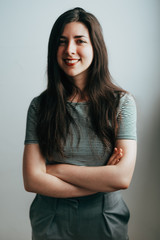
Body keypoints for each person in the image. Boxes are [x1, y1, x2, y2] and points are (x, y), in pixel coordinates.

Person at [23, 7, 137, 240]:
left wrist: (57, 169)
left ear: (96, 46)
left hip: (106, 218)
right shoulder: (40, 106)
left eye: (80, 41)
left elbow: (121, 178)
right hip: (50, 218)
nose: (69, 50)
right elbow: (32, 179)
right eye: (62, 42)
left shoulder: (121, 103)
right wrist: (103, 178)